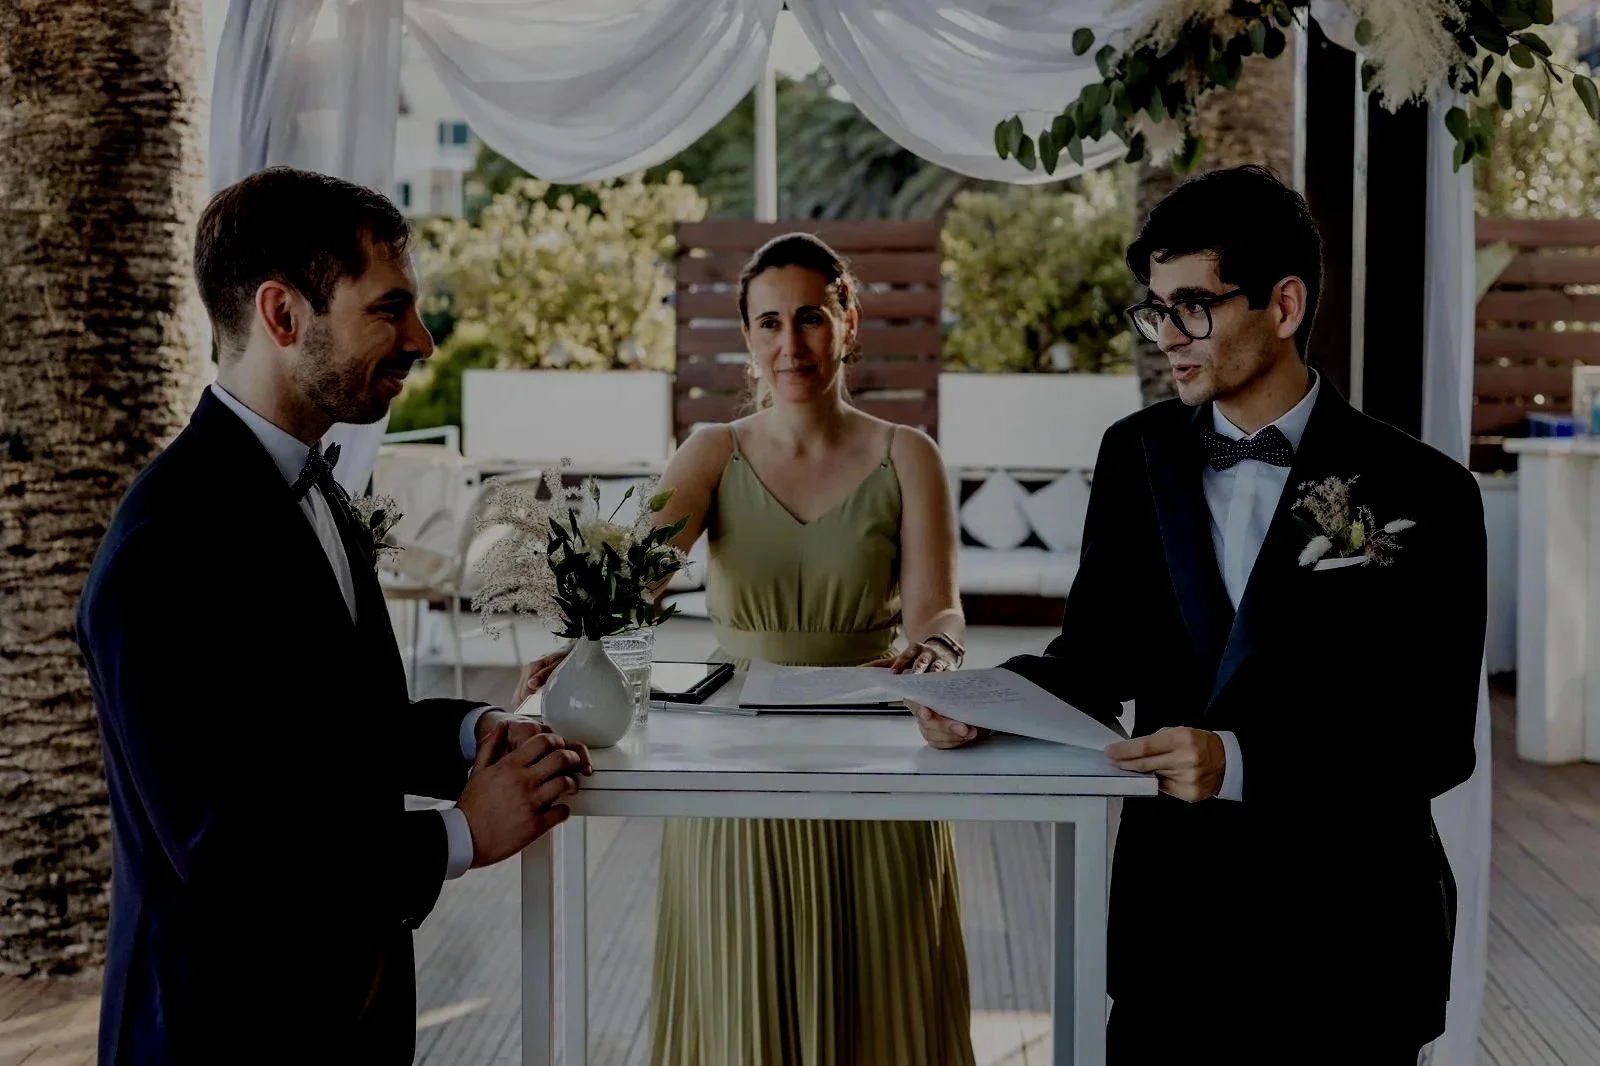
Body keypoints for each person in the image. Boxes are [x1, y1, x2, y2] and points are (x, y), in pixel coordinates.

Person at [914, 166, 1486, 1064]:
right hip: (1172, 933)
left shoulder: (1427, 491)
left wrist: (1244, 763)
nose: (1167, 337)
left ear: (1284, 305)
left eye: (1193, 307)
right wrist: (979, 701)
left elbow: (1436, 740)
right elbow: (1093, 663)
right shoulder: (1134, 455)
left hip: (1355, 942)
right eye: (1155, 310)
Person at [77, 167, 590, 1065]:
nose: (423, 340)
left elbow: (339, 734)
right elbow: (230, 857)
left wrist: (477, 735)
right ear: (283, 316)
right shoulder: (165, 545)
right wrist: (461, 833)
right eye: (389, 310)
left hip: (347, 1014)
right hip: (222, 1031)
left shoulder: (314, 483)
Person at [516, 232, 974, 1064]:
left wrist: (937, 660)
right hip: (733, 764)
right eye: (767, 324)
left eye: (809, 318)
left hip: (873, 762)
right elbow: (630, 587)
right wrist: (579, 644)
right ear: (747, 338)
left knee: (883, 1003)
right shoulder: (711, 452)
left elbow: (937, 609)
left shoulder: (910, 454)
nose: (788, 344)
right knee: (741, 1000)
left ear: (849, 320)